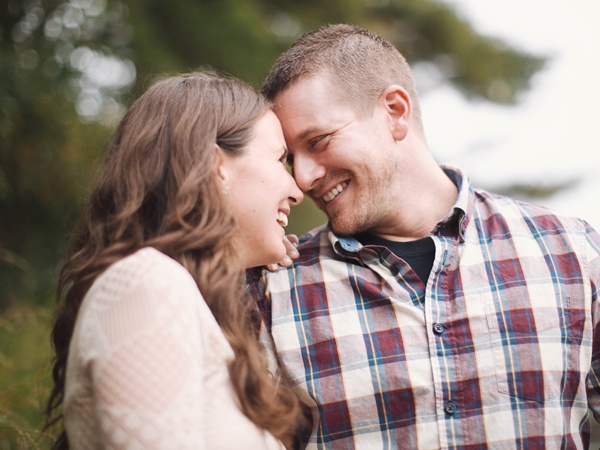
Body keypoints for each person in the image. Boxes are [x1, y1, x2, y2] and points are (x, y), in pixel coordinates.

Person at [245, 24, 600, 449]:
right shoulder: (269, 289)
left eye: (318, 142)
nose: (303, 178)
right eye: (291, 160)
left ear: (395, 112)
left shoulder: (573, 252)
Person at [43, 71, 306, 449]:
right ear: (217, 165)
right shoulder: (145, 284)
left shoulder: (198, 305)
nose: (297, 190)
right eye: (281, 159)